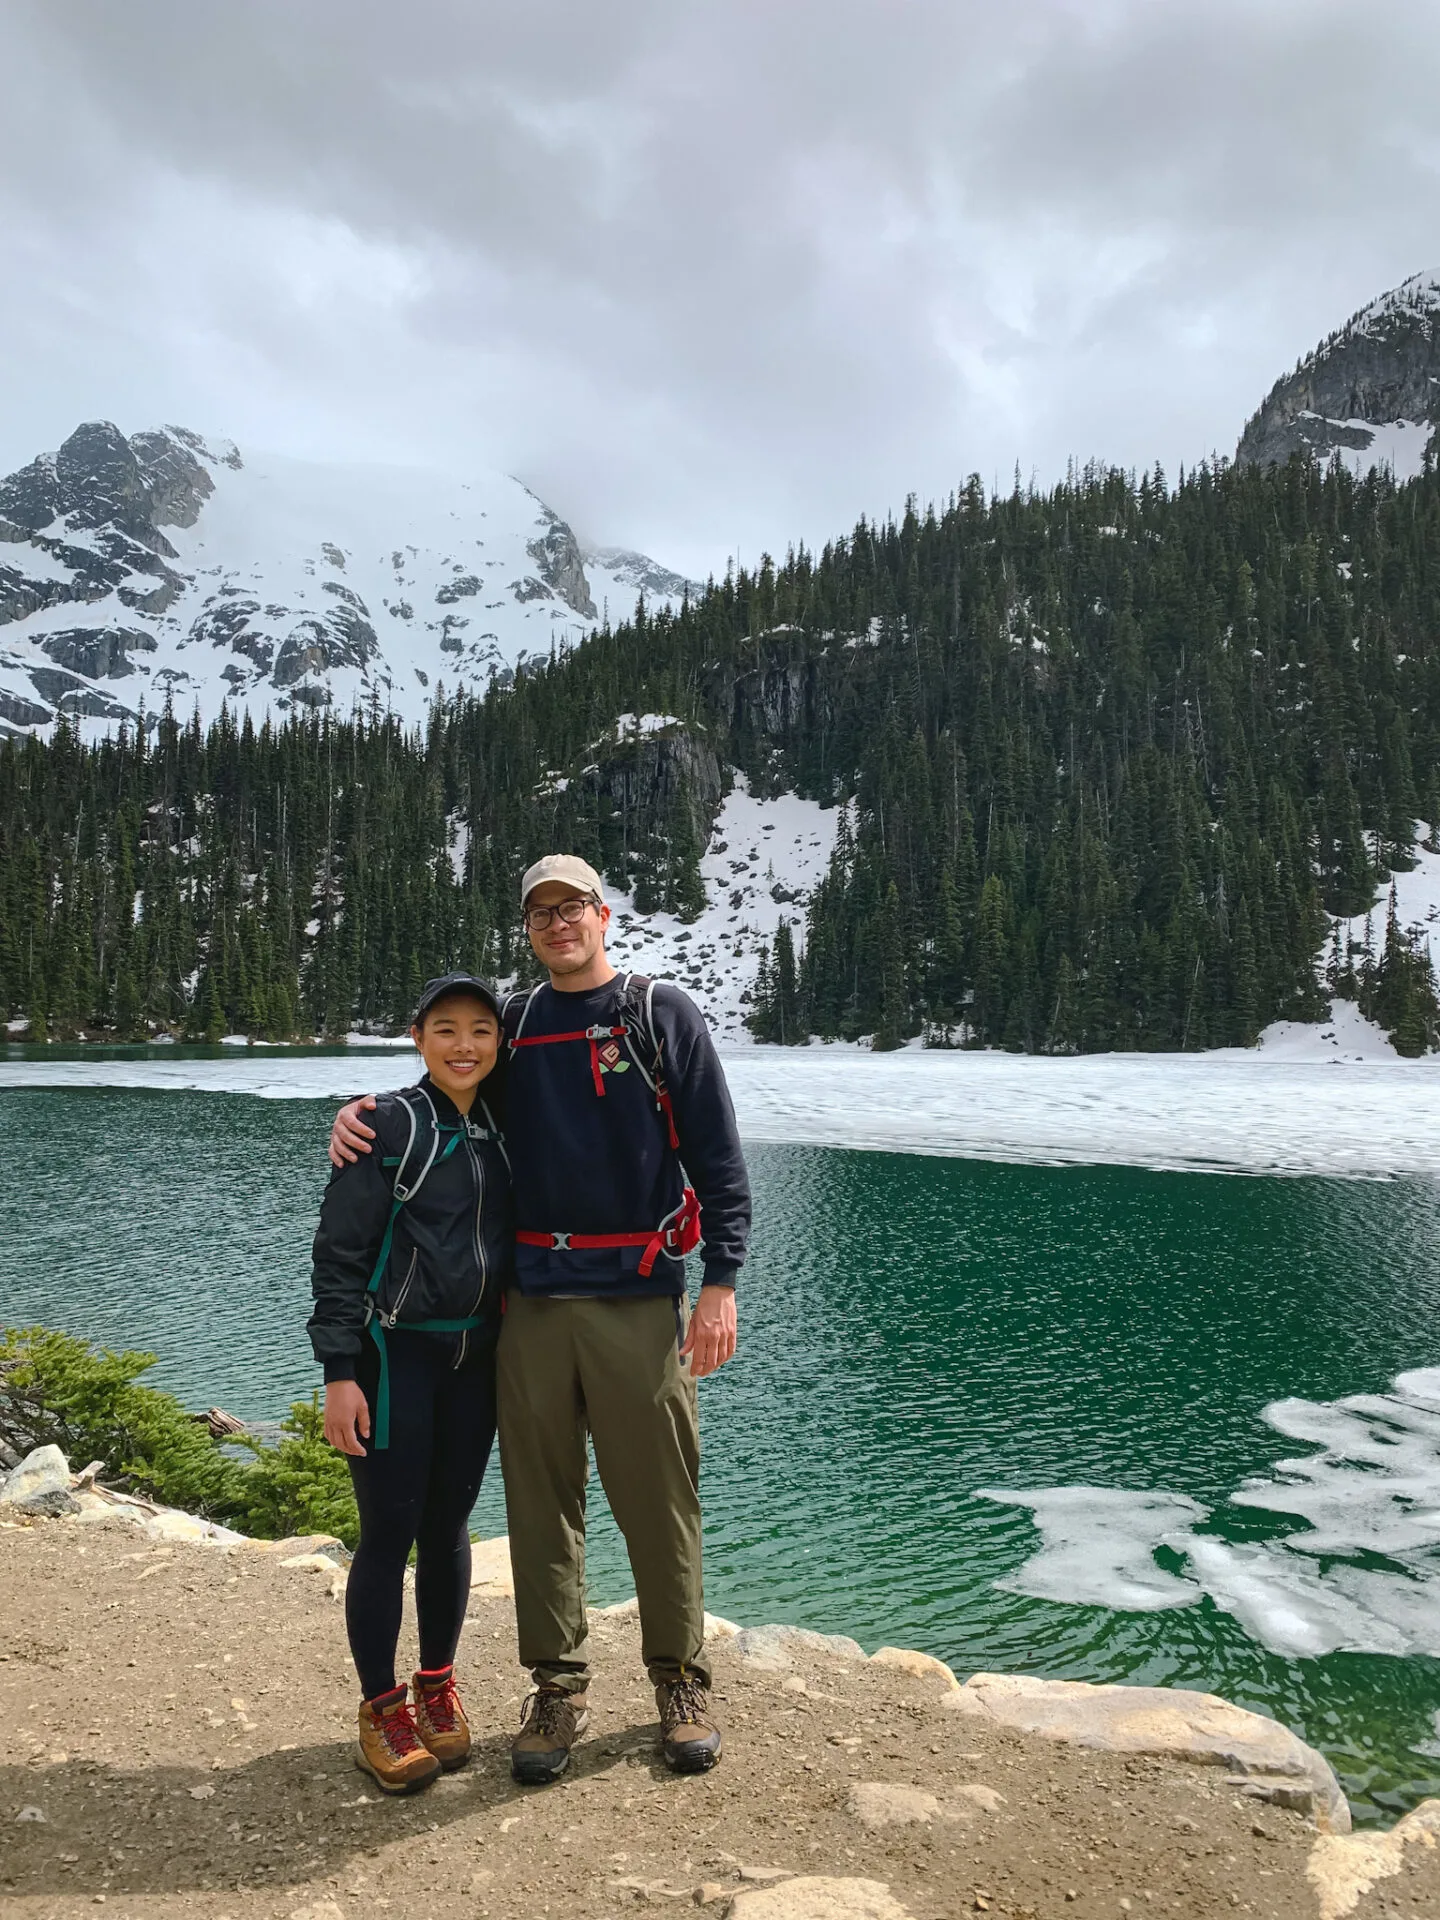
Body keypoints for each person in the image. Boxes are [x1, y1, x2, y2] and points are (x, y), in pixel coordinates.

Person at [330, 854, 751, 1783]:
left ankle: (679, 1680)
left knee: (659, 1499)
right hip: (529, 1306)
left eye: (573, 909)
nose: (559, 925)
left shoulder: (657, 1014)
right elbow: (454, 1089)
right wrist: (360, 1114)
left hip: (641, 1299)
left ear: (604, 916)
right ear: (527, 929)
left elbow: (718, 1157)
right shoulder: (515, 1025)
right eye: (540, 914)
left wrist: (720, 1281)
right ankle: (556, 1688)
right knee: (540, 1507)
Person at [310, 973, 512, 1794]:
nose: (464, 1046)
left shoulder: (506, 1127)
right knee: (388, 1533)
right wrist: (340, 1374)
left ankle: (436, 1684)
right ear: (418, 1037)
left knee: (451, 1527)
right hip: (395, 1361)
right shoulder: (388, 1124)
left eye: (480, 1031)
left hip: (476, 1360)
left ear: (499, 1043)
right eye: (445, 1030)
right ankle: (379, 1710)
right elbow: (340, 1257)